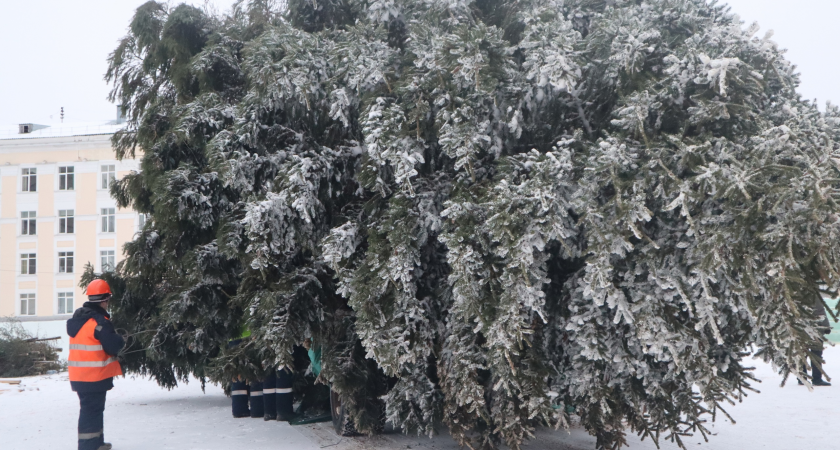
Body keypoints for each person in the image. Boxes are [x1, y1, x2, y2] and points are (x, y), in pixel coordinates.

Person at [66, 279, 125, 450]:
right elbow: (113, 346)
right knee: (91, 412)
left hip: (79, 376)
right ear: (105, 299)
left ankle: (96, 443)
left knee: (93, 410)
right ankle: (88, 446)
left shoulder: (79, 320)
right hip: (94, 376)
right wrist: (120, 339)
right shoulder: (99, 322)